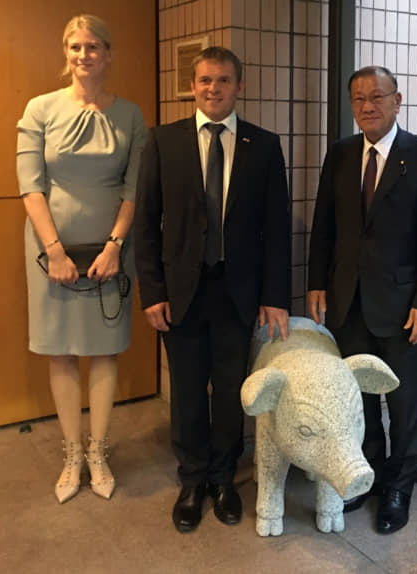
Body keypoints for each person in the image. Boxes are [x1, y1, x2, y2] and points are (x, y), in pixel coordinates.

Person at [134, 47, 291, 534]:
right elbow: (146, 225)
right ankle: (192, 479)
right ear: (193, 85)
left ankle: (224, 478)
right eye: (204, 80)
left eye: (223, 80)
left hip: (236, 292)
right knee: (185, 389)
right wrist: (152, 291)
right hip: (180, 291)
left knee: (229, 390)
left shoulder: (263, 146)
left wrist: (275, 296)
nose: (213, 88)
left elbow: (276, 229)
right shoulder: (163, 141)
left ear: (238, 86)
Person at [308, 66, 417, 534]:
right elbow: (323, 227)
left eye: (377, 97)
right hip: (349, 302)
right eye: (359, 98)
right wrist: (316, 285)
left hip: (406, 306)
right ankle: (369, 473)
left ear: (397, 100)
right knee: (361, 399)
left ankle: (399, 488)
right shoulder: (341, 155)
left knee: (406, 402)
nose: (367, 106)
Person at [17, 14, 146, 504]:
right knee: (62, 350)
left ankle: (99, 452)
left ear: (108, 54)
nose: (83, 54)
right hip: (50, 251)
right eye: (75, 46)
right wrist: (54, 251)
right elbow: (30, 186)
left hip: (111, 251)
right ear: (65, 53)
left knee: (105, 348)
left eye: (93, 46)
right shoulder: (39, 109)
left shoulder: (131, 115)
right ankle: (72, 454)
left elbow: (134, 188)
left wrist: (115, 245)